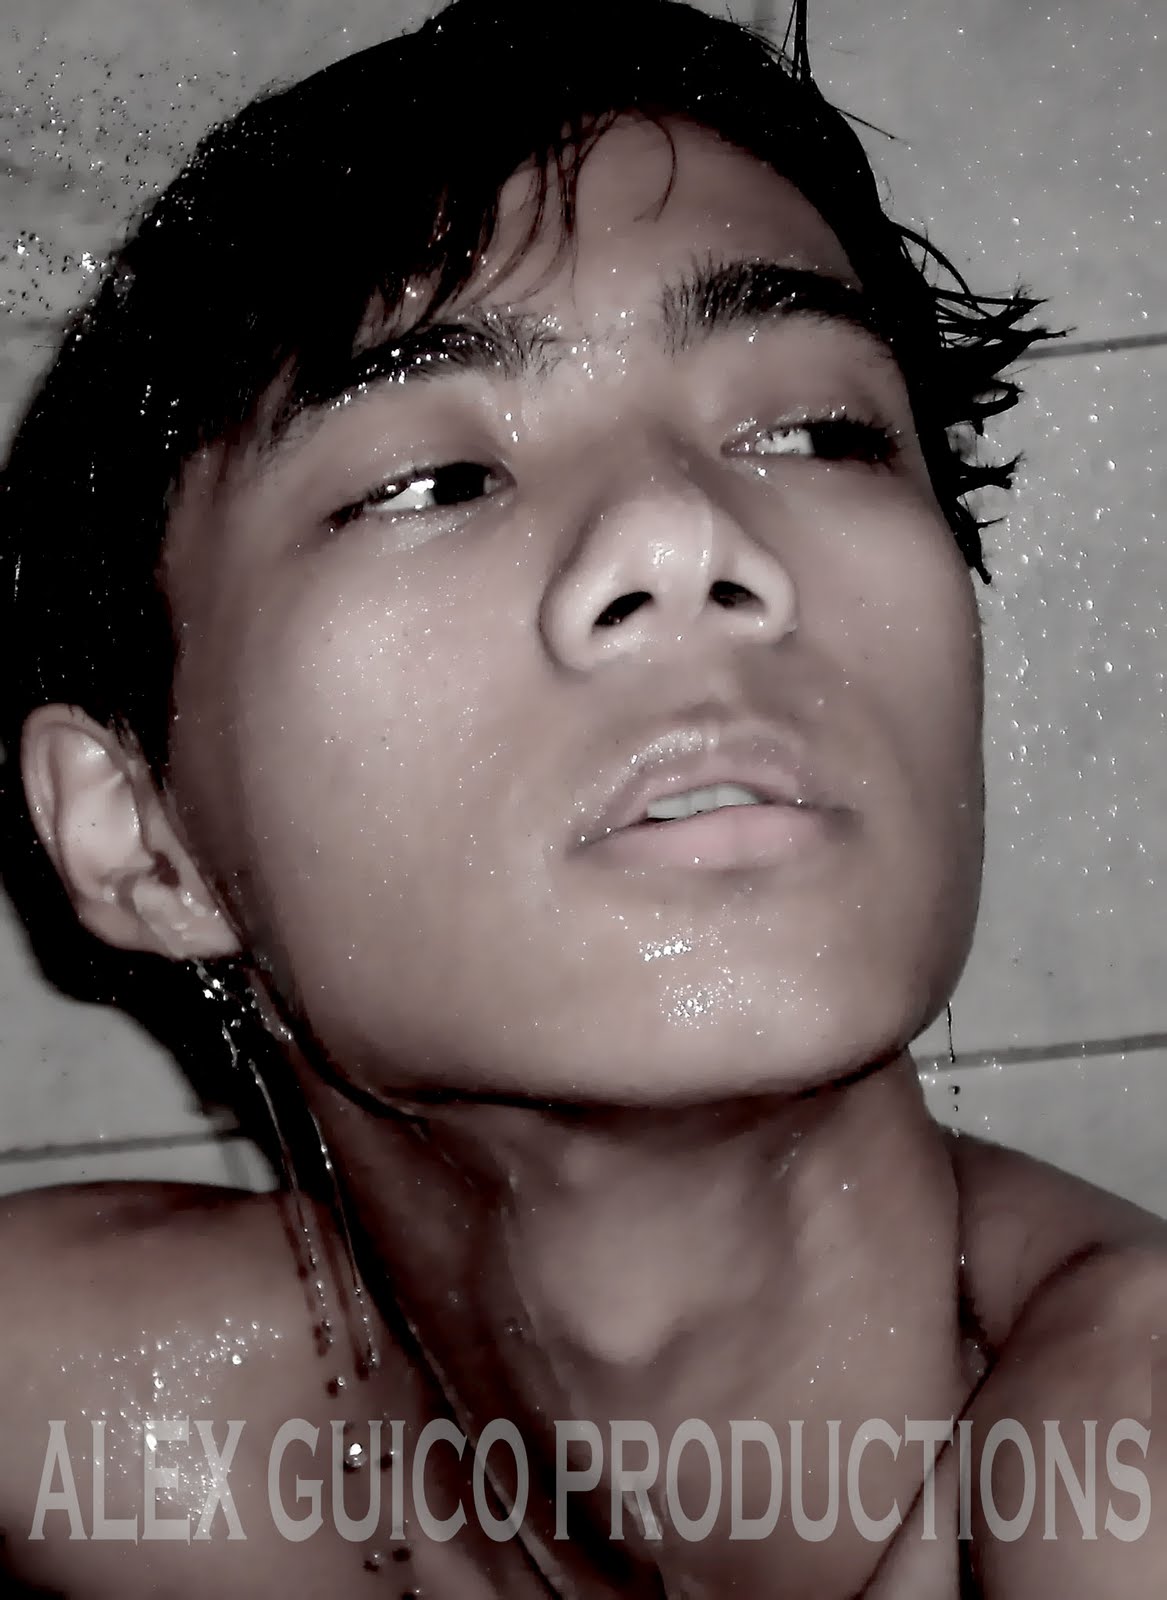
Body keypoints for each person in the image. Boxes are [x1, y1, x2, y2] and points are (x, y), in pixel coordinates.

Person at [0, 0, 1162, 1594]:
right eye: (436, 481)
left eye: (819, 433)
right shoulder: (103, 1433)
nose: (684, 534)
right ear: (142, 838)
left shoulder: (1125, 1473)